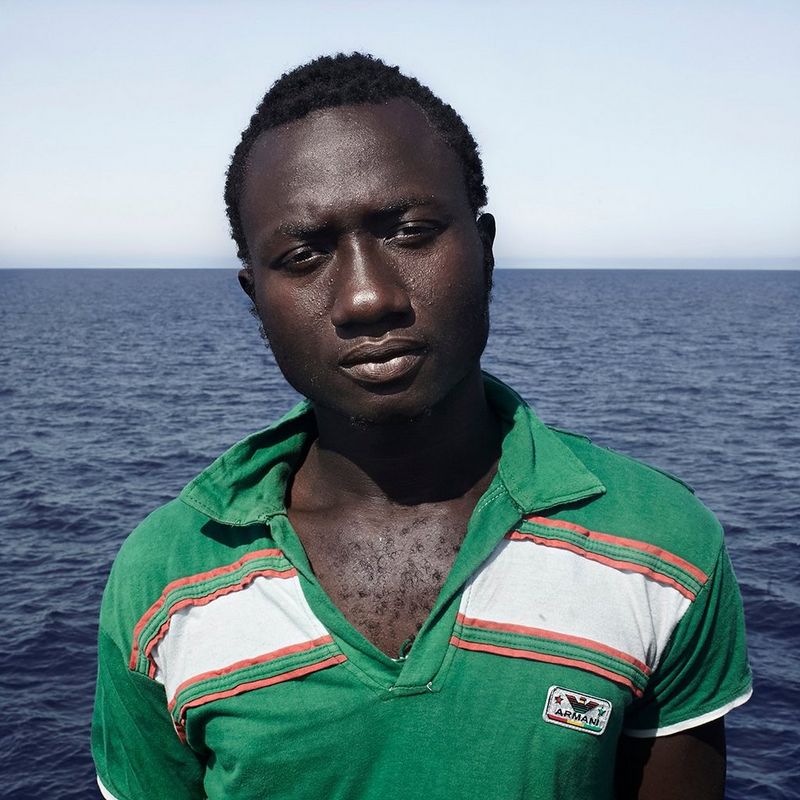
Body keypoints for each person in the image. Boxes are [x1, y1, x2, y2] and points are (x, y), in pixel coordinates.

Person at [92, 53, 752, 800]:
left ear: (486, 251)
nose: (367, 297)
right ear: (255, 297)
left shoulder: (661, 545)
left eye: (409, 231)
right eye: (303, 255)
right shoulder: (164, 576)